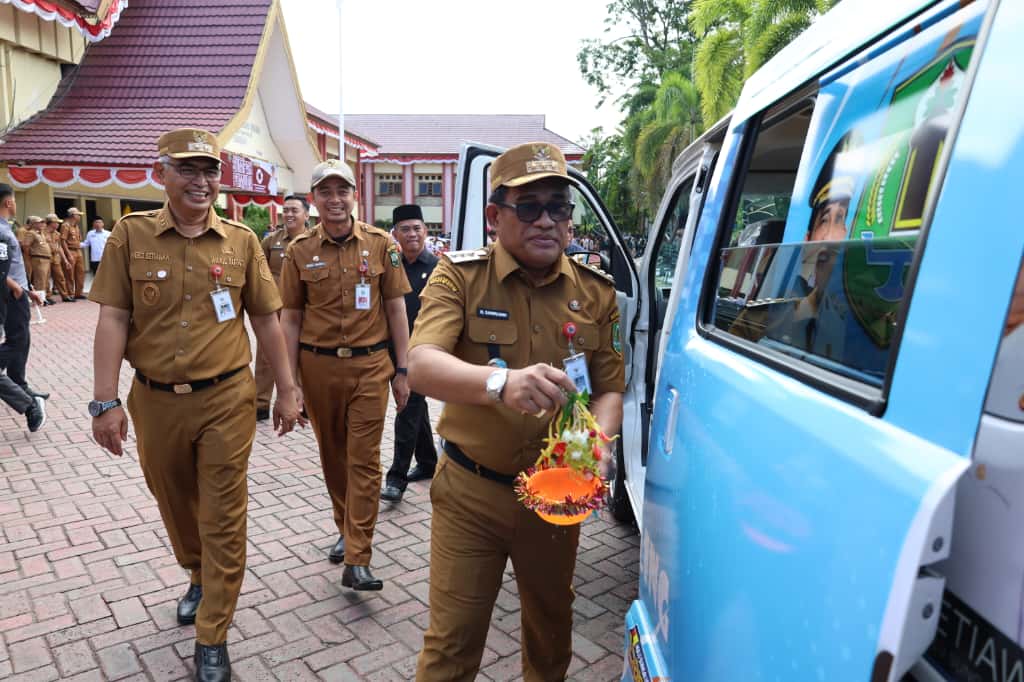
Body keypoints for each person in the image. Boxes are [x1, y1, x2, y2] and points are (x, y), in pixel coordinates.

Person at [88, 128, 304, 682]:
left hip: (226, 399)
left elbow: (266, 319)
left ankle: (214, 632)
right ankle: (197, 573)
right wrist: (104, 401)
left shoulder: (241, 242)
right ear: (162, 174)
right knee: (174, 497)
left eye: (210, 171)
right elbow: (112, 317)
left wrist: (287, 388)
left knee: (224, 512)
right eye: (189, 169)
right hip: (154, 400)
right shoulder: (129, 236)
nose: (201, 181)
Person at [408, 142, 625, 681]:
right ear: (493, 216)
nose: (547, 220)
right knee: (451, 646)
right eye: (528, 208)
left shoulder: (596, 292)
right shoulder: (457, 276)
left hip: (553, 496)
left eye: (558, 207)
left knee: (551, 638)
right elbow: (422, 365)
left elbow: (609, 390)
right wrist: (500, 382)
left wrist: (597, 447)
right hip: (470, 494)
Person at [279, 158, 412, 591]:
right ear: (314, 200)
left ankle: (358, 554)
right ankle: (347, 527)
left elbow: (396, 310)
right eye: (325, 192)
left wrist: (403, 370)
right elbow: (291, 318)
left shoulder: (381, 244)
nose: (335, 200)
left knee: (365, 459)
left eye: (343, 191)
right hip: (317, 367)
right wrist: (290, 382)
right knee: (333, 458)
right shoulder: (299, 251)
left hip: (371, 366)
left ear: (355, 196)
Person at [380, 204, 438, 503]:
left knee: (407, 406)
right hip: (393, 348)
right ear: (395, 234)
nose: (412, 234)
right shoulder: (391, 264)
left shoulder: (439, 267)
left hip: (422, 351)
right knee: (416, 407)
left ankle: (396, 478)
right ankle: (428, 461)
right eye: (405, 229)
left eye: (417, 228)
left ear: (425, 231)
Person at [254, 195, 309, 421]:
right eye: (285, 210)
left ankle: (303, 401)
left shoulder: (313, 241)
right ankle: (260, 403)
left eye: (294, 210)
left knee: (303, 355)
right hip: (274, 309)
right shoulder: (272, 240)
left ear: (306, 214)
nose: (288, 214)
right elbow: (258, 268)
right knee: (266, 355)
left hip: (304, 309)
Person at [0, 184, 49, 402]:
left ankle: (18, 384)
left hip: (18, 292)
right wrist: (16, 287)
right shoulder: (1, 231)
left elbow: (13, 265)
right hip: (10, 295)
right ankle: (14, 385)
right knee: (17, 341)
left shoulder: (5, 227)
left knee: (22, 339)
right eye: (15, 201)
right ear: (8, 203)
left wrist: (28, 290)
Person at [24, 216, 54, 303]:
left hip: (46, 259)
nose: (42, 224)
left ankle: (43, 298)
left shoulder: (40, 233)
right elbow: (26, 246)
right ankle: (40, 300)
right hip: (38, 259)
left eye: (42, 222)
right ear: (33, 224)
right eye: (40, 222)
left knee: (45, 280)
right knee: (39, 280)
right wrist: (29, 258)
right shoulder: (31, 233)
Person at [44, 215, 73, 303]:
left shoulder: (57, 234)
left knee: (60, 277)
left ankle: (65, 296)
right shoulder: (42, 232)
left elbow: (59, 248)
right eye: (56, 222)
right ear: (51, 223)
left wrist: (65, 260)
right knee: (46, 278)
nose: (58, 224)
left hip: (56, 257)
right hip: (46, 257)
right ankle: (47, 296)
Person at [61, 207, 86, 298]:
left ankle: (79, 293)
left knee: (81, 272)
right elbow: (63, 241)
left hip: (78, 250)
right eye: (78, 215)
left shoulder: (76, 226)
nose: (79, 216)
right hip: (70, 250)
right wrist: (68, 254)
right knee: (69, 273)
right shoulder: (65, 225)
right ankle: (70, 293)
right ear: (73, 215)